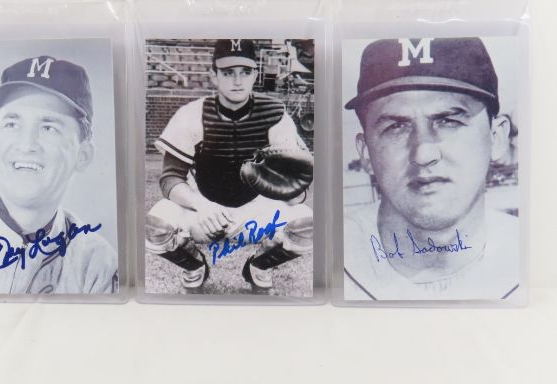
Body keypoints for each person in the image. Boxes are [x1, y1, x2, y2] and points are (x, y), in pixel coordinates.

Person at [343, 37, 519, 301]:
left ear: (496, 138)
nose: (423, 154)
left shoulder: (536, 255)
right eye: (396, 127)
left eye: (449, 121)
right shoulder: (324, 257)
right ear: (366, 151)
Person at [146, 39, 313, 294]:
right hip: (204, 212)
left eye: (245, 72)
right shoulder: (192, 114)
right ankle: (194, 266)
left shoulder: (274, 114)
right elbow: (170, 178)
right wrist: (201, 206)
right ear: (214, 75)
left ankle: (259, 267)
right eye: (228, 72)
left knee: (308, 224)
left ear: (255, 75)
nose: (237, 80)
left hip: (256, 211)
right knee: (155, 224)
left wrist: (291, 191)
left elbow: (296, 189)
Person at [0, 56, 118, 295]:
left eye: (49, 128)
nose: (26, 145)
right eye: (12, 124)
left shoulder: (95, 265)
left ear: (83, 155)